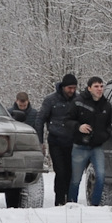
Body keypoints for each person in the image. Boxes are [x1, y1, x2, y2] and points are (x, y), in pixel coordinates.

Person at [67, 76, 112, 207]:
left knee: (101, 176)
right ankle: (72, 205)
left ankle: (95, 206)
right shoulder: (78, 102)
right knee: (76, 179)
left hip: (97, 147)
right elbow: (67, 121)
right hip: (80, 146)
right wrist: (79, 127)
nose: (99, 89)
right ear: (89, 88)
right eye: (96, 86)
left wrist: (104, 136)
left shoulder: (106, 105)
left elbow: (109, 126)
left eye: (101, 86)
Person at [40, 74, 79, 205]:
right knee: (60, 171)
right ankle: (59, 199)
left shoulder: (78, 99)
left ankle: (70, 199)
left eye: (74, 88)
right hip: (56, 141)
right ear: (63, 87)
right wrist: (40, 141)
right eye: (69, 88)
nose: (72, 91)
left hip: (73, 142)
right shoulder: (51, 100)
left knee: (71, 172)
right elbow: (40, 119)